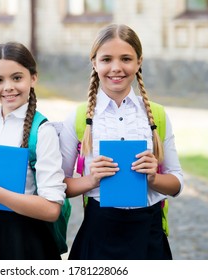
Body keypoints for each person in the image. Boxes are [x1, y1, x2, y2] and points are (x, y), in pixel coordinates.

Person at [59, 23, 184, 260]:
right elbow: (58, 185)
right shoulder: (78, 118)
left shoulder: (156, 115)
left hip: (148, 233)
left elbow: (177, 182)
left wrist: (154, 177)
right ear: (94, 63)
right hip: (99, 231)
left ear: (139, 62)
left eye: (126, 59)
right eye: (106, 59)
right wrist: (91, 179)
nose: (116, 68)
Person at [0, 42, 66, 260]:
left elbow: (51, 209)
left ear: (33, 78)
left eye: (17, 78)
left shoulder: (43, 131)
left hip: (25, 240)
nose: (8, 87)